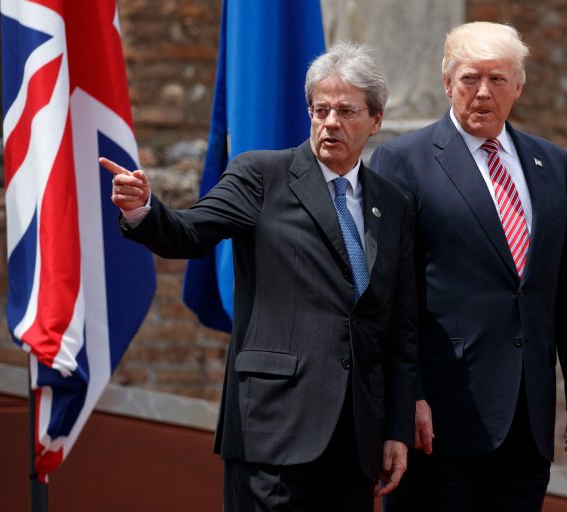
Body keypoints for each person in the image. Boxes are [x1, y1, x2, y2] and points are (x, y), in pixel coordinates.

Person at [100, 42, 417, 512]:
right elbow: (189, 233)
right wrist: (144, 210)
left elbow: (400, 327)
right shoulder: (262, 175)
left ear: (375, 119)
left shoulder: (392, 203)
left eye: (346, 111)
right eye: (321, 109)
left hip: (354, 439)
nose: (330, 122)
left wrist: (396, 429)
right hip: (272, 429)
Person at [369, 22, 567, 511]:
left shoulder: (553, 164)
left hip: (528, 420)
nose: (482, 93)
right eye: (470, 78)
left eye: (497, 80)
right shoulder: (402, 161)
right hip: (438, 419)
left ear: (518, 86)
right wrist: (407, 395)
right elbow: (390, 293)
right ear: (446, 81)